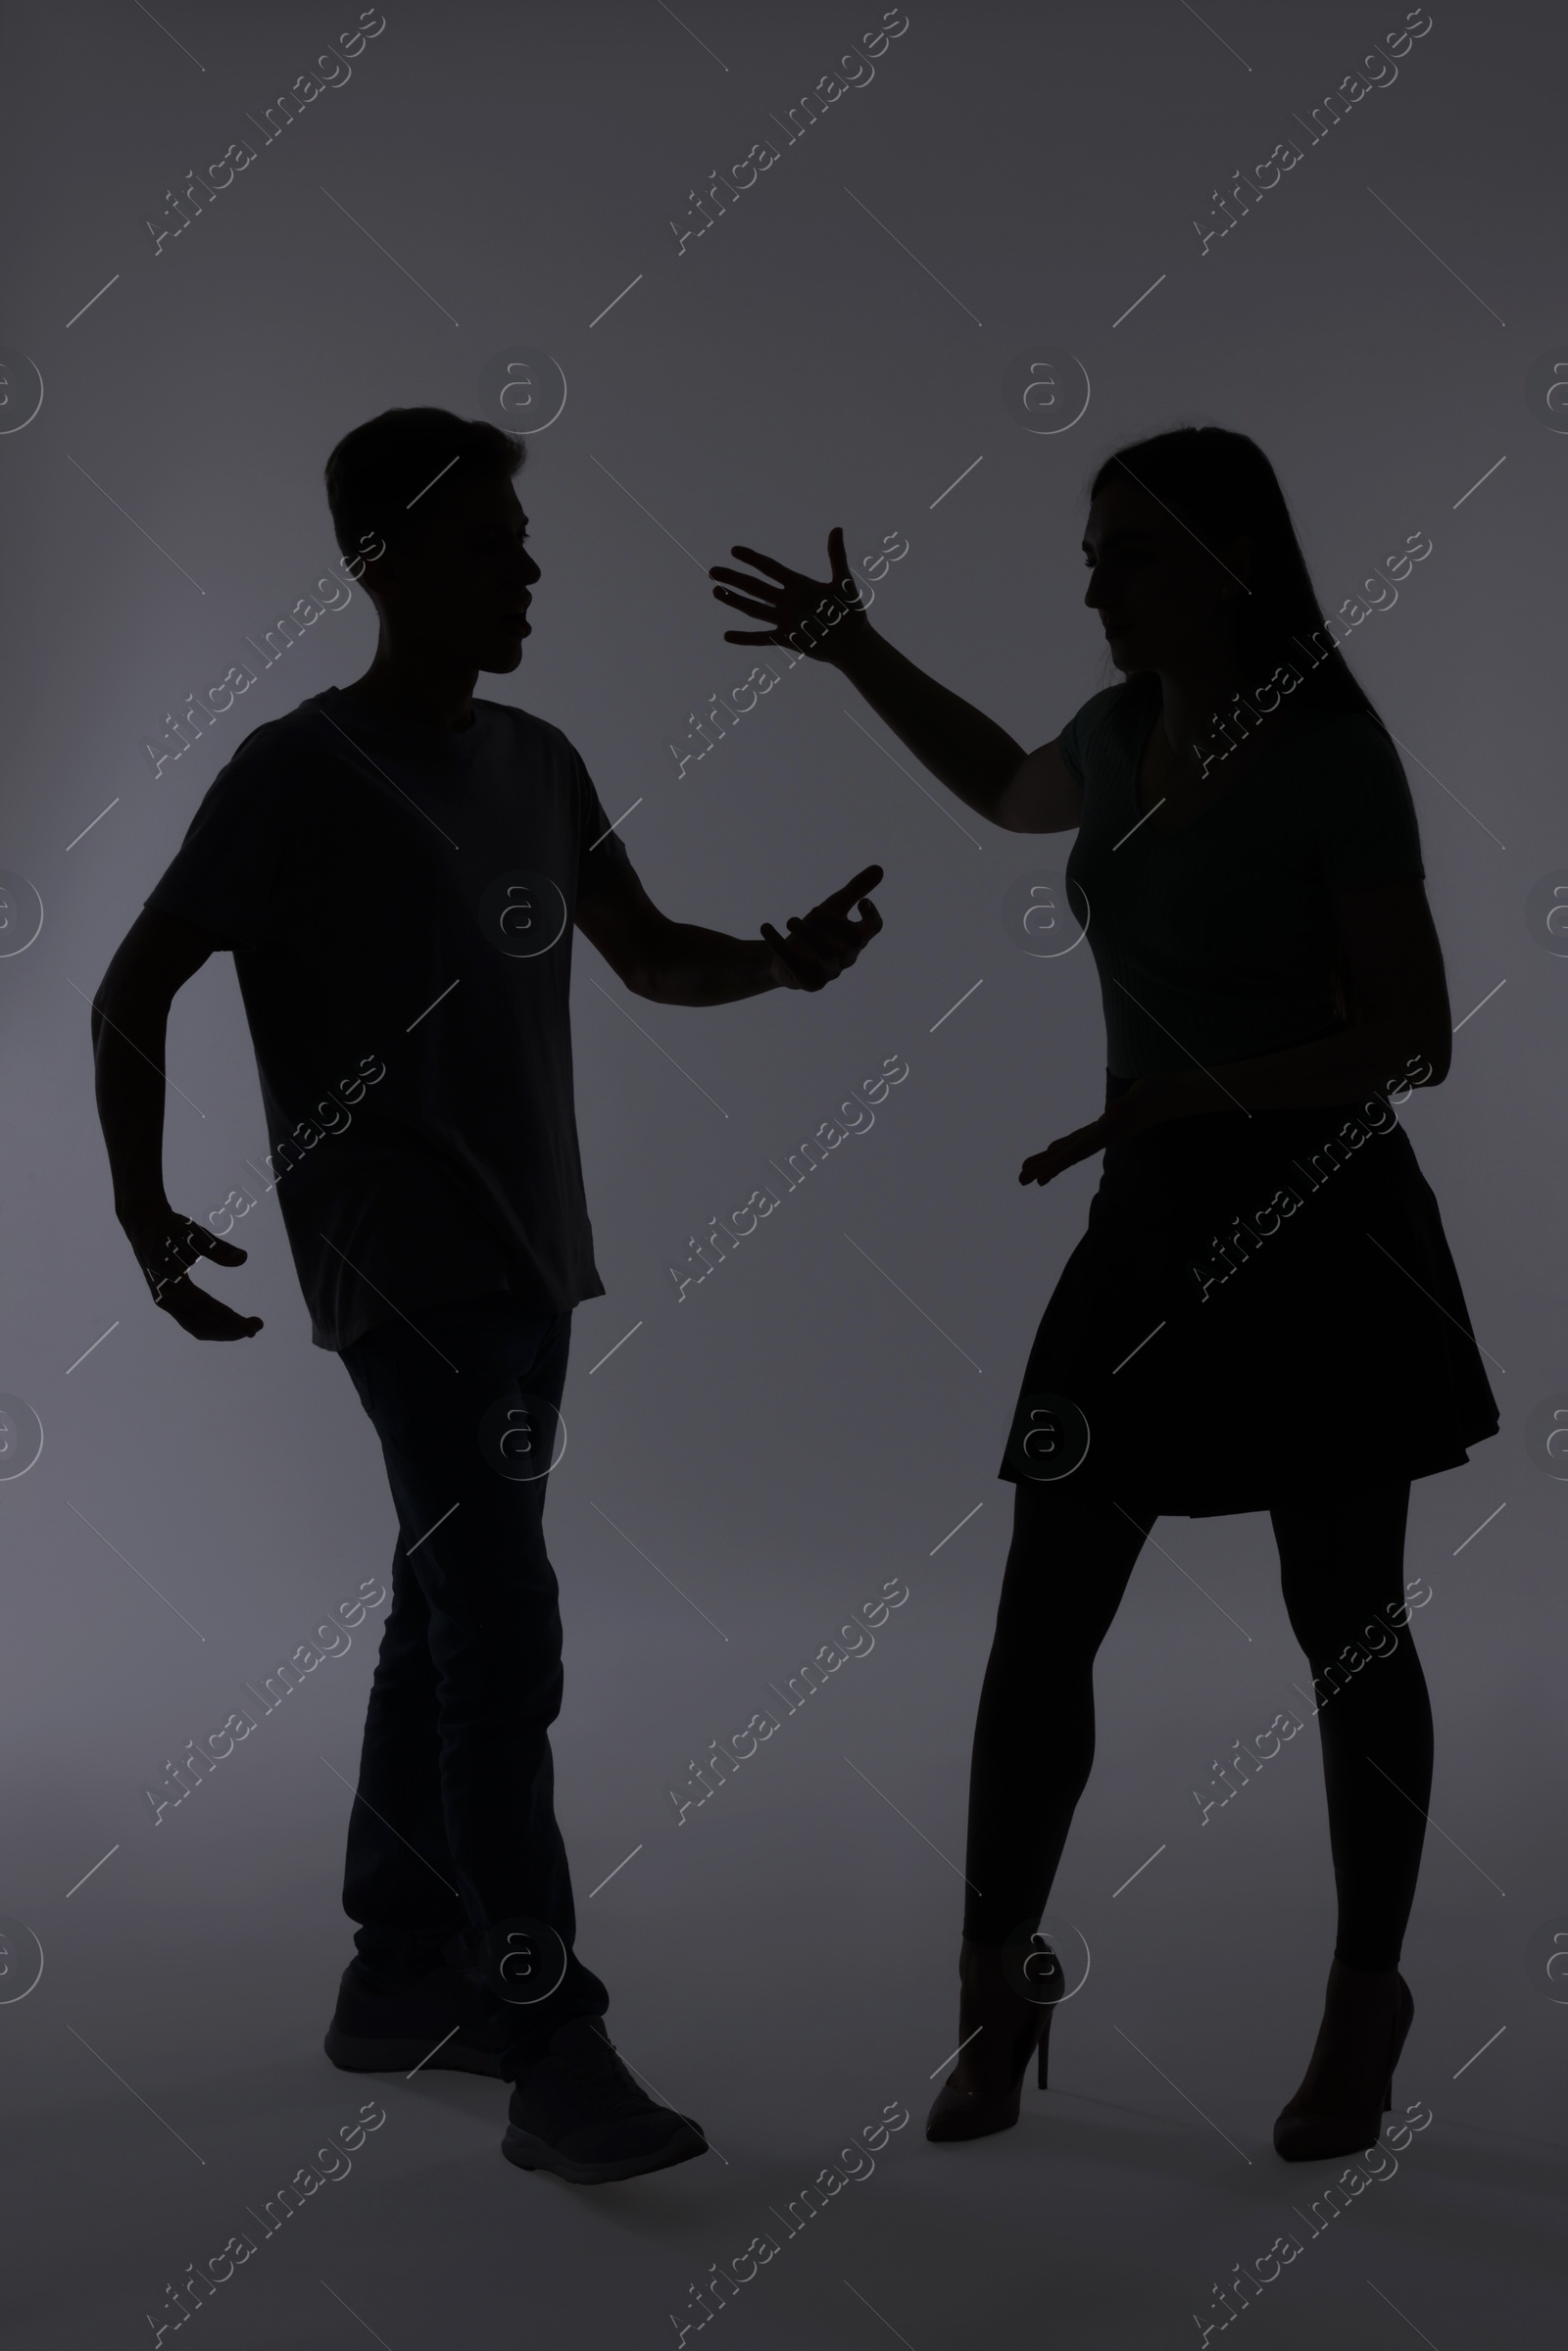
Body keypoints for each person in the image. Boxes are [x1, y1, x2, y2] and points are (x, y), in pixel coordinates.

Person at [91, 406, 883, 2187]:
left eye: (524, 544)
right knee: (500, 1635)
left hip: (538, 1266)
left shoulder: (538, 756)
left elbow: (654, 956)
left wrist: (781, 963)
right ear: (381, 565)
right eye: (486, 545)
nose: (527, 570)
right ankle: (552, 2039)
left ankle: (394, 1972)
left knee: (443, 1603)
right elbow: (134, 984)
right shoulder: (296, 773)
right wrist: (141, 1204)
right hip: (403, 1267)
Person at [710, 424, 1498, 2161]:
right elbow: (1002, 786)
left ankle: (1366, 2001)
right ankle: (999, 1996)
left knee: (1346, 1622)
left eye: (1127, 554)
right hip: (1145, 1229)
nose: (1090, 583)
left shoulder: (1331, 759)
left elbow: (1416, 1038)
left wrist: (1185, 1098)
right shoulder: (1118, 735)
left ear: (1227, 565)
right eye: (1093, 552)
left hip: (1326, 1230)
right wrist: (855, 650)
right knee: (1044, 1613)